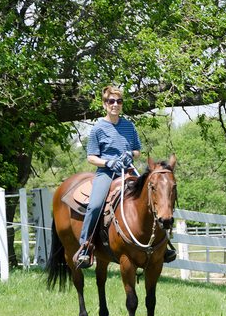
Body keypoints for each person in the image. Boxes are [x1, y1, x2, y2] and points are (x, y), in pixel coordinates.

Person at [74, 85, 176, 268]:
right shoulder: (98, 128)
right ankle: (85, 247)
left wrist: (131, 155)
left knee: (156, 197)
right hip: (107, 172)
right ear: (105, 104)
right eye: (111, 101)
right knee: (95, 205)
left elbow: (137, 150)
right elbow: (91, 157)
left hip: (128, 170)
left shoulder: (129, 126)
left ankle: (164, 245)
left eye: (119, 101)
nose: (115, 105)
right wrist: (108, 163)